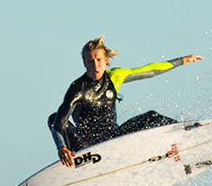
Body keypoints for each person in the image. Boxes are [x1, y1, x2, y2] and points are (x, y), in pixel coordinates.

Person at [49, 37, 203, 168]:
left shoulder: (115, 76)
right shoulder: (77, 89)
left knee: (152, 117)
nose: (95, 65)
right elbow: (59, 121)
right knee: (54, 118)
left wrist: (182, 60)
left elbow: (150, 71)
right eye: (90, 61)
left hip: (114, 140)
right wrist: (61, 146)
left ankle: (185, 135)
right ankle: (72, 159)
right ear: (84, 63)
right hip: (87, 148)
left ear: (105, 60)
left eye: (99, 60)